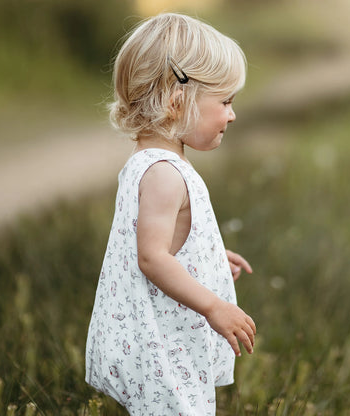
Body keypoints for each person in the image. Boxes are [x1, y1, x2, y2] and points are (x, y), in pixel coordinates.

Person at [85, 12, 256, 416]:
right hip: (164, 343)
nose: (232, 115)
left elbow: (168, 240)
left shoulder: (151, 161)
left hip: (166, 337)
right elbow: (152, 257)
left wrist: (209, 256)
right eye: (226, 101)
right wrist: (215, 306)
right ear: (178, 101)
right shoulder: (164, 172)